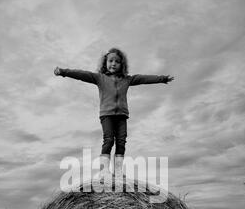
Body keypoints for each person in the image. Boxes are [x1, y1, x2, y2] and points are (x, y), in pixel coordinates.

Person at [54, 47, 174, 180]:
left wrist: (162, 79)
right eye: (110, 61)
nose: (113, 64)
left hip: (122, 115)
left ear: (122, 65)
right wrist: (63, 72)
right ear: (105, 63)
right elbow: (81, 74)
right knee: (109, 140)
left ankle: (118, 171)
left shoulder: (127, 80)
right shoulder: (99, 78)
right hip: (106, 115)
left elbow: (144, 78)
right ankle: (104, 171)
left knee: (121, 142)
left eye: (117, 61)